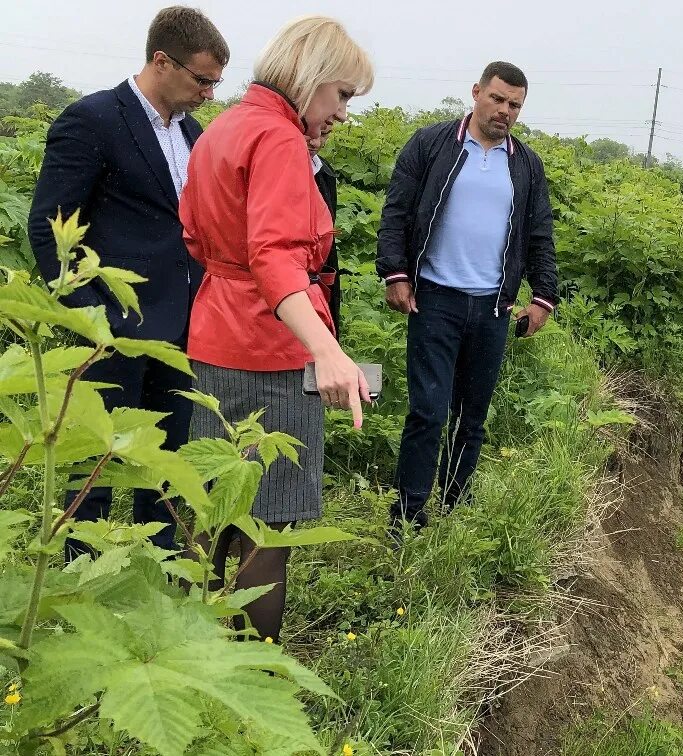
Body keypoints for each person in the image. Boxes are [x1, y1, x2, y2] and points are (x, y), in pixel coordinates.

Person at [179, 16, 373, 642]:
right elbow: (275, 256)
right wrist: (328, 351)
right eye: (341, 94)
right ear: (311, 77)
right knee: (270, 526)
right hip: (272, 351)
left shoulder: (223, 129)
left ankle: (191, 651)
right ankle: (255, 674)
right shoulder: (282, 140)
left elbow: (194, 235)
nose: (342, 112)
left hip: (213, 337)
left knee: (214, 510)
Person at [27, 6, 229, 557]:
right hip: (113, 331)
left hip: (184, 329)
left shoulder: (192, 132)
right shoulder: (92, 119)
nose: (209, 94)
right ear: (162, 61)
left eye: (216, 83)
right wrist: (93, 319)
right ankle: (73, 573)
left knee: (163, 464)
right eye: (202, 79)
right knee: (94, 459)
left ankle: (155, 569)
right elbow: (49, 231)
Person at [376, 61, 559, 532]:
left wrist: (543, 296)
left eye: (514, 105)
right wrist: (395, 273)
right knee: (428, 411)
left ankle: (455, 505)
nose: (504, 111)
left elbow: (540, 233)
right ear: (477, 92)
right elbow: (397, 210)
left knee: (471, 416)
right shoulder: (432, 144)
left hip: (493, 306)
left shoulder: (525, 164)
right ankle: (408, 518)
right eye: (497, 99)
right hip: (435, 299)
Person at [309, 132, 342, 337]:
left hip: (320, 283)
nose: (316, 142)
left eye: (324, 134)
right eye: (310, 134)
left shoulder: (324, 171)